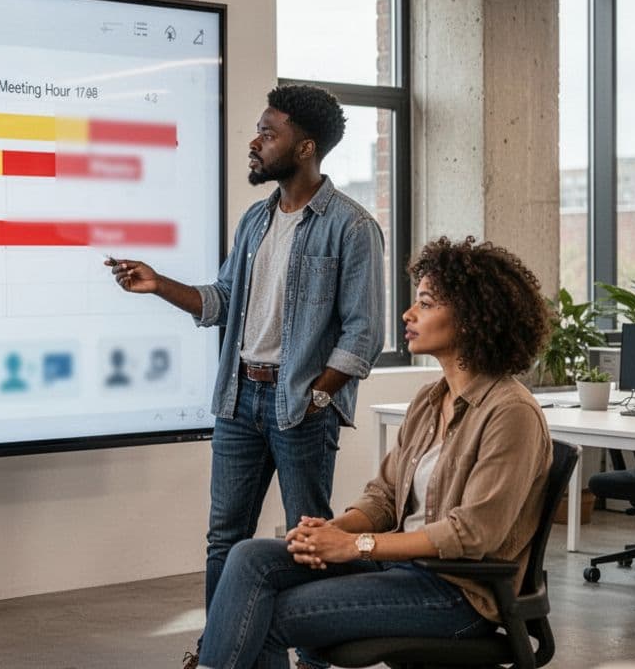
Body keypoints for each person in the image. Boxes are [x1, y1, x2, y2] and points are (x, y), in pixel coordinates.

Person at [105, 84, 384, 666]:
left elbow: (363, 332)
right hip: (239, 400)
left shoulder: (351, 228)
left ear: (305, 147)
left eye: (268, 132)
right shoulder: (256, 221)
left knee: (307, 542)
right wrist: (159, 284)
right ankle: (222, 652)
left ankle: (313, 656)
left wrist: (317, 396)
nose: (255, 143)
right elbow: (223, 301)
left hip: (298, 407)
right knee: (223, 541)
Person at [196, 237, 554, 669]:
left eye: (425, 303)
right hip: (400, 572)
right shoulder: (428, 400)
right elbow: (384, 497)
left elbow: (472, 535)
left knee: (270, 614)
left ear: (471, 319)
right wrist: (331, 532)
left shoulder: (511, 413)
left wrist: (355, 546)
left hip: (456, 594)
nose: (408, 314)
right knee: (248, 556)